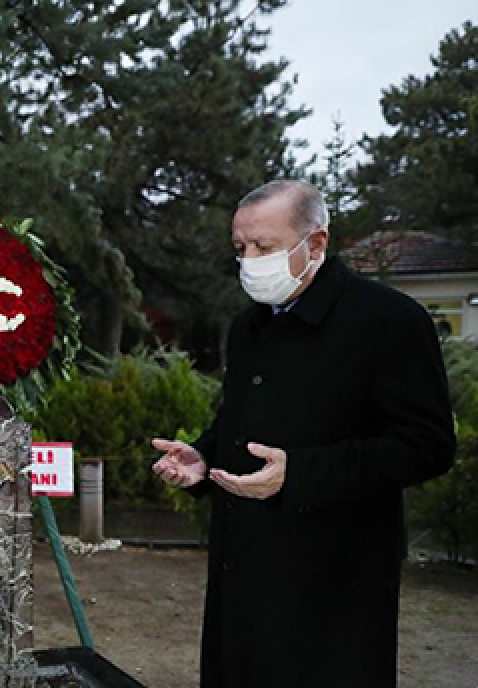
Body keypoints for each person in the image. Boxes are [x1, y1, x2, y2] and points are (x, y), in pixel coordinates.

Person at [152, 180, 455, 688]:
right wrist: (203, 458)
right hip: (241, 575)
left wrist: (301, 474)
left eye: (264, 248)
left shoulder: (389, 320)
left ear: (315, 244)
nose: (249, 261)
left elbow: (427, 445)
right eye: (240, 248)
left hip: (332, 587)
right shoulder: (249, 326)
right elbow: (241, 422)